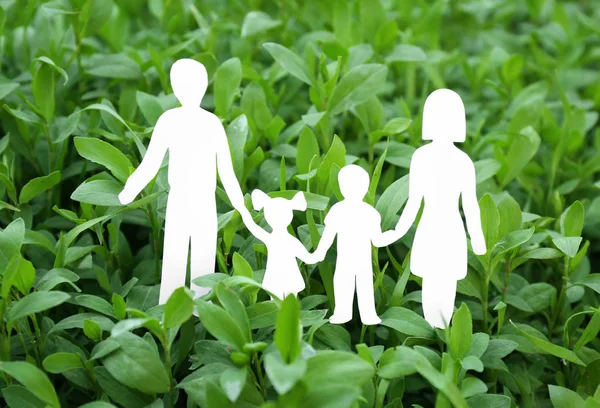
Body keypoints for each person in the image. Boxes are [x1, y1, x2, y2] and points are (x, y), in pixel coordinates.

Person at [118, 58, 251, 305]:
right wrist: (130, 189)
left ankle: (199, 314)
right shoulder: (170, 120)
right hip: (180, 199)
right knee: (174, 262)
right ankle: (171, 314)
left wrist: (240, 205)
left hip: (203, 201)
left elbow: (226, 171)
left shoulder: (210, 124)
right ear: (176, 88)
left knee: (202, 261)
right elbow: (151, 162)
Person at [391, 88, 486, 329]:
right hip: (431, 226)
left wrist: (477, 237)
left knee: (447, 282)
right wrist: (397, 231)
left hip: (450, 228)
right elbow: (413, 201)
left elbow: (470, 203)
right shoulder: (421, 157)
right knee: (431, 280)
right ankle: (429, 330)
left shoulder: (463, 161)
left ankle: (442, 332)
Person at [312, 165, 397, 325]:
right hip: (351, 259)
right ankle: (352, 314)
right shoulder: (367, 211)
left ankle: (363, 314)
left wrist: (394, 234)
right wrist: (394, 234)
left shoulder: (347, 210)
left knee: (354, 284)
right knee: (352, 284)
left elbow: (376, 240)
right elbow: (378, 241)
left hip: (353, 259)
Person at [242, 191, 318, 300]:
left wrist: (242, 210)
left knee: (280, 305)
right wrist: (321, 251)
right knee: (288, 306)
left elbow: (252, 226)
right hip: (284, 278)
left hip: (280, 278)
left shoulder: (273, 239)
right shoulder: (289, 241)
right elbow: (309, 258)